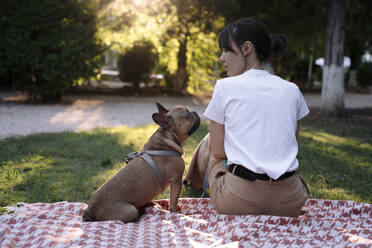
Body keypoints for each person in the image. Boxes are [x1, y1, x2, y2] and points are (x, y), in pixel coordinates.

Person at [199, 18, 309, 217]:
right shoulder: (292, 90)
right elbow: (289, 143)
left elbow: (219, 151)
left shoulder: (225, 86)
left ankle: (193, 183)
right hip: (290, 202)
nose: (221, 58)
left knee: (209, 143)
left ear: (246, 48)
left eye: (226, 50)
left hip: (240, 200)